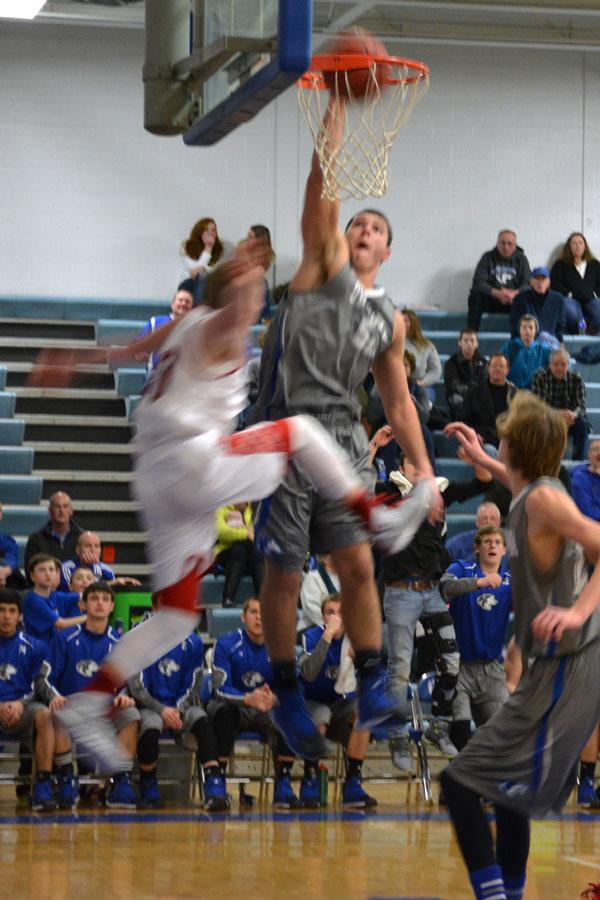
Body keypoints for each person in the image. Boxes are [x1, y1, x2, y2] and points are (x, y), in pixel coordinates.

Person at [41, 240, 433, 773]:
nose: (258, 302)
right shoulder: (218, 327)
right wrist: (241, 271)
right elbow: (232, 306)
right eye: (248, 294)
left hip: (159, 479)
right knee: (300, 432)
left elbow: (130, 350)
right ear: (229, 300)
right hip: (192, 464)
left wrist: (77, 360)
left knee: (177, 616)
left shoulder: (185, 324)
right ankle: (378, 518)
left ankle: (90, 702)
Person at [251, 97, 439, 760]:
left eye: (375, 227)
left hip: (343, 433)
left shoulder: (391, 319)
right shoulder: (319, 263)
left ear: (388, 248)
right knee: (281, 571)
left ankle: (377, 684)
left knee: (359, 564)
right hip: (284, 425)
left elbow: (399, 401)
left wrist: (423, 471)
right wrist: (334, 108)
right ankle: (286, 692)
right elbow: (321, 190)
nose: (362, 230)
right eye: (356, 222)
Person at [441, 394, 600, 900]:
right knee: (509, 792)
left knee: (459, 783)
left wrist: (576, 611)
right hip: (557, 664)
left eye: (503, 435)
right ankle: (508, 893)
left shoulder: (543, 500)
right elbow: (519, 482)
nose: (499, 436)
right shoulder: (534, 489)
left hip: (570, 662)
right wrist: (483, 459)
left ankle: (493, 895)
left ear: (518, 444)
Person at [36, 582, 140, 809]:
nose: (100, 603)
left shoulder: (120, 643)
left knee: (131, 714)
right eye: (94, 598)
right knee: (59, 713)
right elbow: (44, 678)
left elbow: (128, 684)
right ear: (83, 605)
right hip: (72, 708)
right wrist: (54, 696)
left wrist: (123, 695)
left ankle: (121, 782)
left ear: (112, 606)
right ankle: (65, 777)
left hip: (105, 712)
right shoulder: (64, 637)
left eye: (105, 599)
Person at [208, 597, 301, 809]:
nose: (259, 618)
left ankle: (283, 783)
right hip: (236, 707)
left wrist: (273, 698)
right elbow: (219, 689)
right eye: (254, 612)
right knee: (223, 712)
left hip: (264, 709)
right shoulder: (226, 643)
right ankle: (218, 781)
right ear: (243, 617)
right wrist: (247, 698)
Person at [127, 607, 219, 810]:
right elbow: (136, 687)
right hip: (150, 706)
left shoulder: (192, 640)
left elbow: (194, 682)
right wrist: (162, 710)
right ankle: (148, 783)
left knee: (202, 720)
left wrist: (177, 709)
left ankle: (213, 784)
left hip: (181, 707)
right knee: (150, 726)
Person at [299, 594, 377, 808]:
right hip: (314, 701)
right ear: (322, 616)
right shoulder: (311, 636)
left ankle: (352, 782)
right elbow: (309, 674)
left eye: (341, 613)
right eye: (330, 612)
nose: (336, 617)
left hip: (342, 705)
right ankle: (311, 777)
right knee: (321, 716)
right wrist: (327, 637)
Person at [439, 526, 512, 753]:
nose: (492, 546)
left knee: (503, 733)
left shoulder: (511, 581)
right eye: (487, 541)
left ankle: (487, 782)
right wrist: (478, 583)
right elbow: (443, 588)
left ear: (504, 550)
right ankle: (460, 782)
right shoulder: (461, 568)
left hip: (491, 669)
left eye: (497, 542)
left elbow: (532, 605)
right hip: (458, 666)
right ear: (477, 548)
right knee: (461, 727)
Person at [0, 589, 58, 811]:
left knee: (44, 714)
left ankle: (43, 785)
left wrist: (19, 704)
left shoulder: (36, 646)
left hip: (24, 709)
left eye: (12, 611)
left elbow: (40, 685)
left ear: (20, 616)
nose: (6, 616)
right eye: (1, 611)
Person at [531, 348, 590, 460]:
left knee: (583, 424)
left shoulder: (576, 379)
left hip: (570, 421)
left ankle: (577, 463)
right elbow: (538, 406)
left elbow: (581, 406)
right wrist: (558, 414)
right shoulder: (539, 377)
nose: (559, 368)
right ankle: (544, 463)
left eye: (563, 364)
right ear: (550, 364)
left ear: (568, 365)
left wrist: (573, 414)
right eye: (556, 364)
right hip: (547, 419)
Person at [467, 230, 531, 331]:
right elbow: (478, 282)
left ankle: (522, 338)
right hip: (492, 299)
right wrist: (497, 293)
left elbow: (528, 283)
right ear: (497, 243)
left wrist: (515, 293)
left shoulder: (522, 259)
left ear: (515, 245)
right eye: (503, 243)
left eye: (509, 244)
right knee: (475, 296)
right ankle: (471, 334)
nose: (506, 247)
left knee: (527, 298)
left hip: (513, 301)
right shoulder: (487, 257)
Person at [22, 554, 86, 650]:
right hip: (37, 652)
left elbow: (84, 594)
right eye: (42, 570)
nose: (48, 573)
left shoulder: (54, 595)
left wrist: (111, 585)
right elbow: (61, 624)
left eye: (51, 570)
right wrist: (91, 617)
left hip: (53, 650)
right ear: (32, 576)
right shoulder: (33, 600)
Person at [462, 353, 517, 456]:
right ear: (488, 368)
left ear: (507, 370)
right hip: (483, 440)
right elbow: (464, 421)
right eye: (494, 366)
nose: (497, 369)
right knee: (489, 451)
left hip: (508, 441)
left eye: (501, 366)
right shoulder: (474, 393)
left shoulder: (516, 395)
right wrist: (474, 435)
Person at [214, 502, 263, 608]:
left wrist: (241, 531)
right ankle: (228, 598)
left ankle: (263, 600)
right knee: (239, 550)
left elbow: (258, 532)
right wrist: (245, 533)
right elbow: (222, 533)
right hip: (227, 550)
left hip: (250, 551)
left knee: (256, 552)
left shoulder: (253, 511)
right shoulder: (221, 510)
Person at [550, 232, 600, 333]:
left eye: (580, 243)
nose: (577, 246)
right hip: (570, 299)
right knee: (571, 311)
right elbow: (555, 283)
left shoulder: (594, 264)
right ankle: (583, 332)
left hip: (591, 299)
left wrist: (594, 294)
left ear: (585, 246)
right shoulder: (560, 264)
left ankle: (587, 332)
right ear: (569, 247)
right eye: (574, 243)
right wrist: (569, 294)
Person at [59, 531, 141, 592]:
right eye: (88, 546)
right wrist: (110, 583)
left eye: (96, 546)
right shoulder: (66, 568)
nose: (92, 550)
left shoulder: (106, 570)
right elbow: (76, 594)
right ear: (78, 550)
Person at [136, 288, 194, 372]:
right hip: (156, 377)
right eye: (180, 300)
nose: (183, 303)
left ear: (191, 308)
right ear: (173, 305)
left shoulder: (196, 326)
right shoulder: (155, 322)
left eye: (187, 301)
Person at [24, 491, 82, 573]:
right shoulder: (36, 539)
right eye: (57, 506)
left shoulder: (82, 538)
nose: (61, 510)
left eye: (65, 506)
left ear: (71, 511)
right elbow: (30, 571)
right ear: (49, 510)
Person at [509, 266, 568, 342]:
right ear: (531, 282)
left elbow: (560, 325)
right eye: (537, 279)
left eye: (543, 279)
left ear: (549, 282)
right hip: (527, 343)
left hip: (551, 342)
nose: (540, 283)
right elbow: (515, 325)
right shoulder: (520, 299)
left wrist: (560, 343)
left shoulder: (558, 299)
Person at [444, 329, 488, 420]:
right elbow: (453, 385)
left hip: (479, 396)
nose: (469, 344)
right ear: (459, 343)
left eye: (472, 340)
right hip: (460, 396)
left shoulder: (484, 363)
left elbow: (485, 383)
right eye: (465, 340)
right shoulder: (451, 363)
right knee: (457, 400)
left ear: (477, 344)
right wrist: (472, 394)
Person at [401, 308, 442, 402]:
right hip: (395, 384)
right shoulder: (389, 343)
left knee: (425, 398)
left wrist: (422, 382)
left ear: (413, 323)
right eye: (400, 321)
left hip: (419, 384)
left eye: (406, 320)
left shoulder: (427, 345)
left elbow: (436, 370)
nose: (402, 323)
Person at [501, 314, 551, 389]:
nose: (527, 331)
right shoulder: (508, 348)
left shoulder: (545, 350)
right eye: (524, 327)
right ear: (519, 330)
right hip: (514, 392)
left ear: (536, 330)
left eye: (531, 328)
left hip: (537, 392)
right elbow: (500, 369)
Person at [571, 439, 600, 522]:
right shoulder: (579, 477)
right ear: (589, 455)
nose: (599, 453)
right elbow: (587, 512)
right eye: (595, 449)